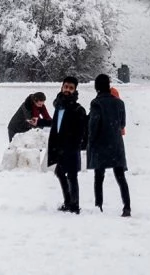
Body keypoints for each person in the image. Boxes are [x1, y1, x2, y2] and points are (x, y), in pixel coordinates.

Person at [86, 73, 130, 217]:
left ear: (96, 86)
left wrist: (90, 141)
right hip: (116, 144)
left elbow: (93, 125)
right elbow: (122, 124)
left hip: (101, 143)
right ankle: (127, 206)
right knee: (120, 176)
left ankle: (99, 205)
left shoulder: (96, 103)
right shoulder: (119, 103)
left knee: (99, 176)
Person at [47, 77, 88, 213]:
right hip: (58, 147)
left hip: (70, 149)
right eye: (66, 87)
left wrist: (73, 146)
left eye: (71, 88)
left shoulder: (78, 109)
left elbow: (81, 132)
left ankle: (74, 205)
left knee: (72, 176)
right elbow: (56, 125)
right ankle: (68, 201)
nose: (67, 90)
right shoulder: (58, 106)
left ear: (75, 90)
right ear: (61, 87)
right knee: (59, 172)